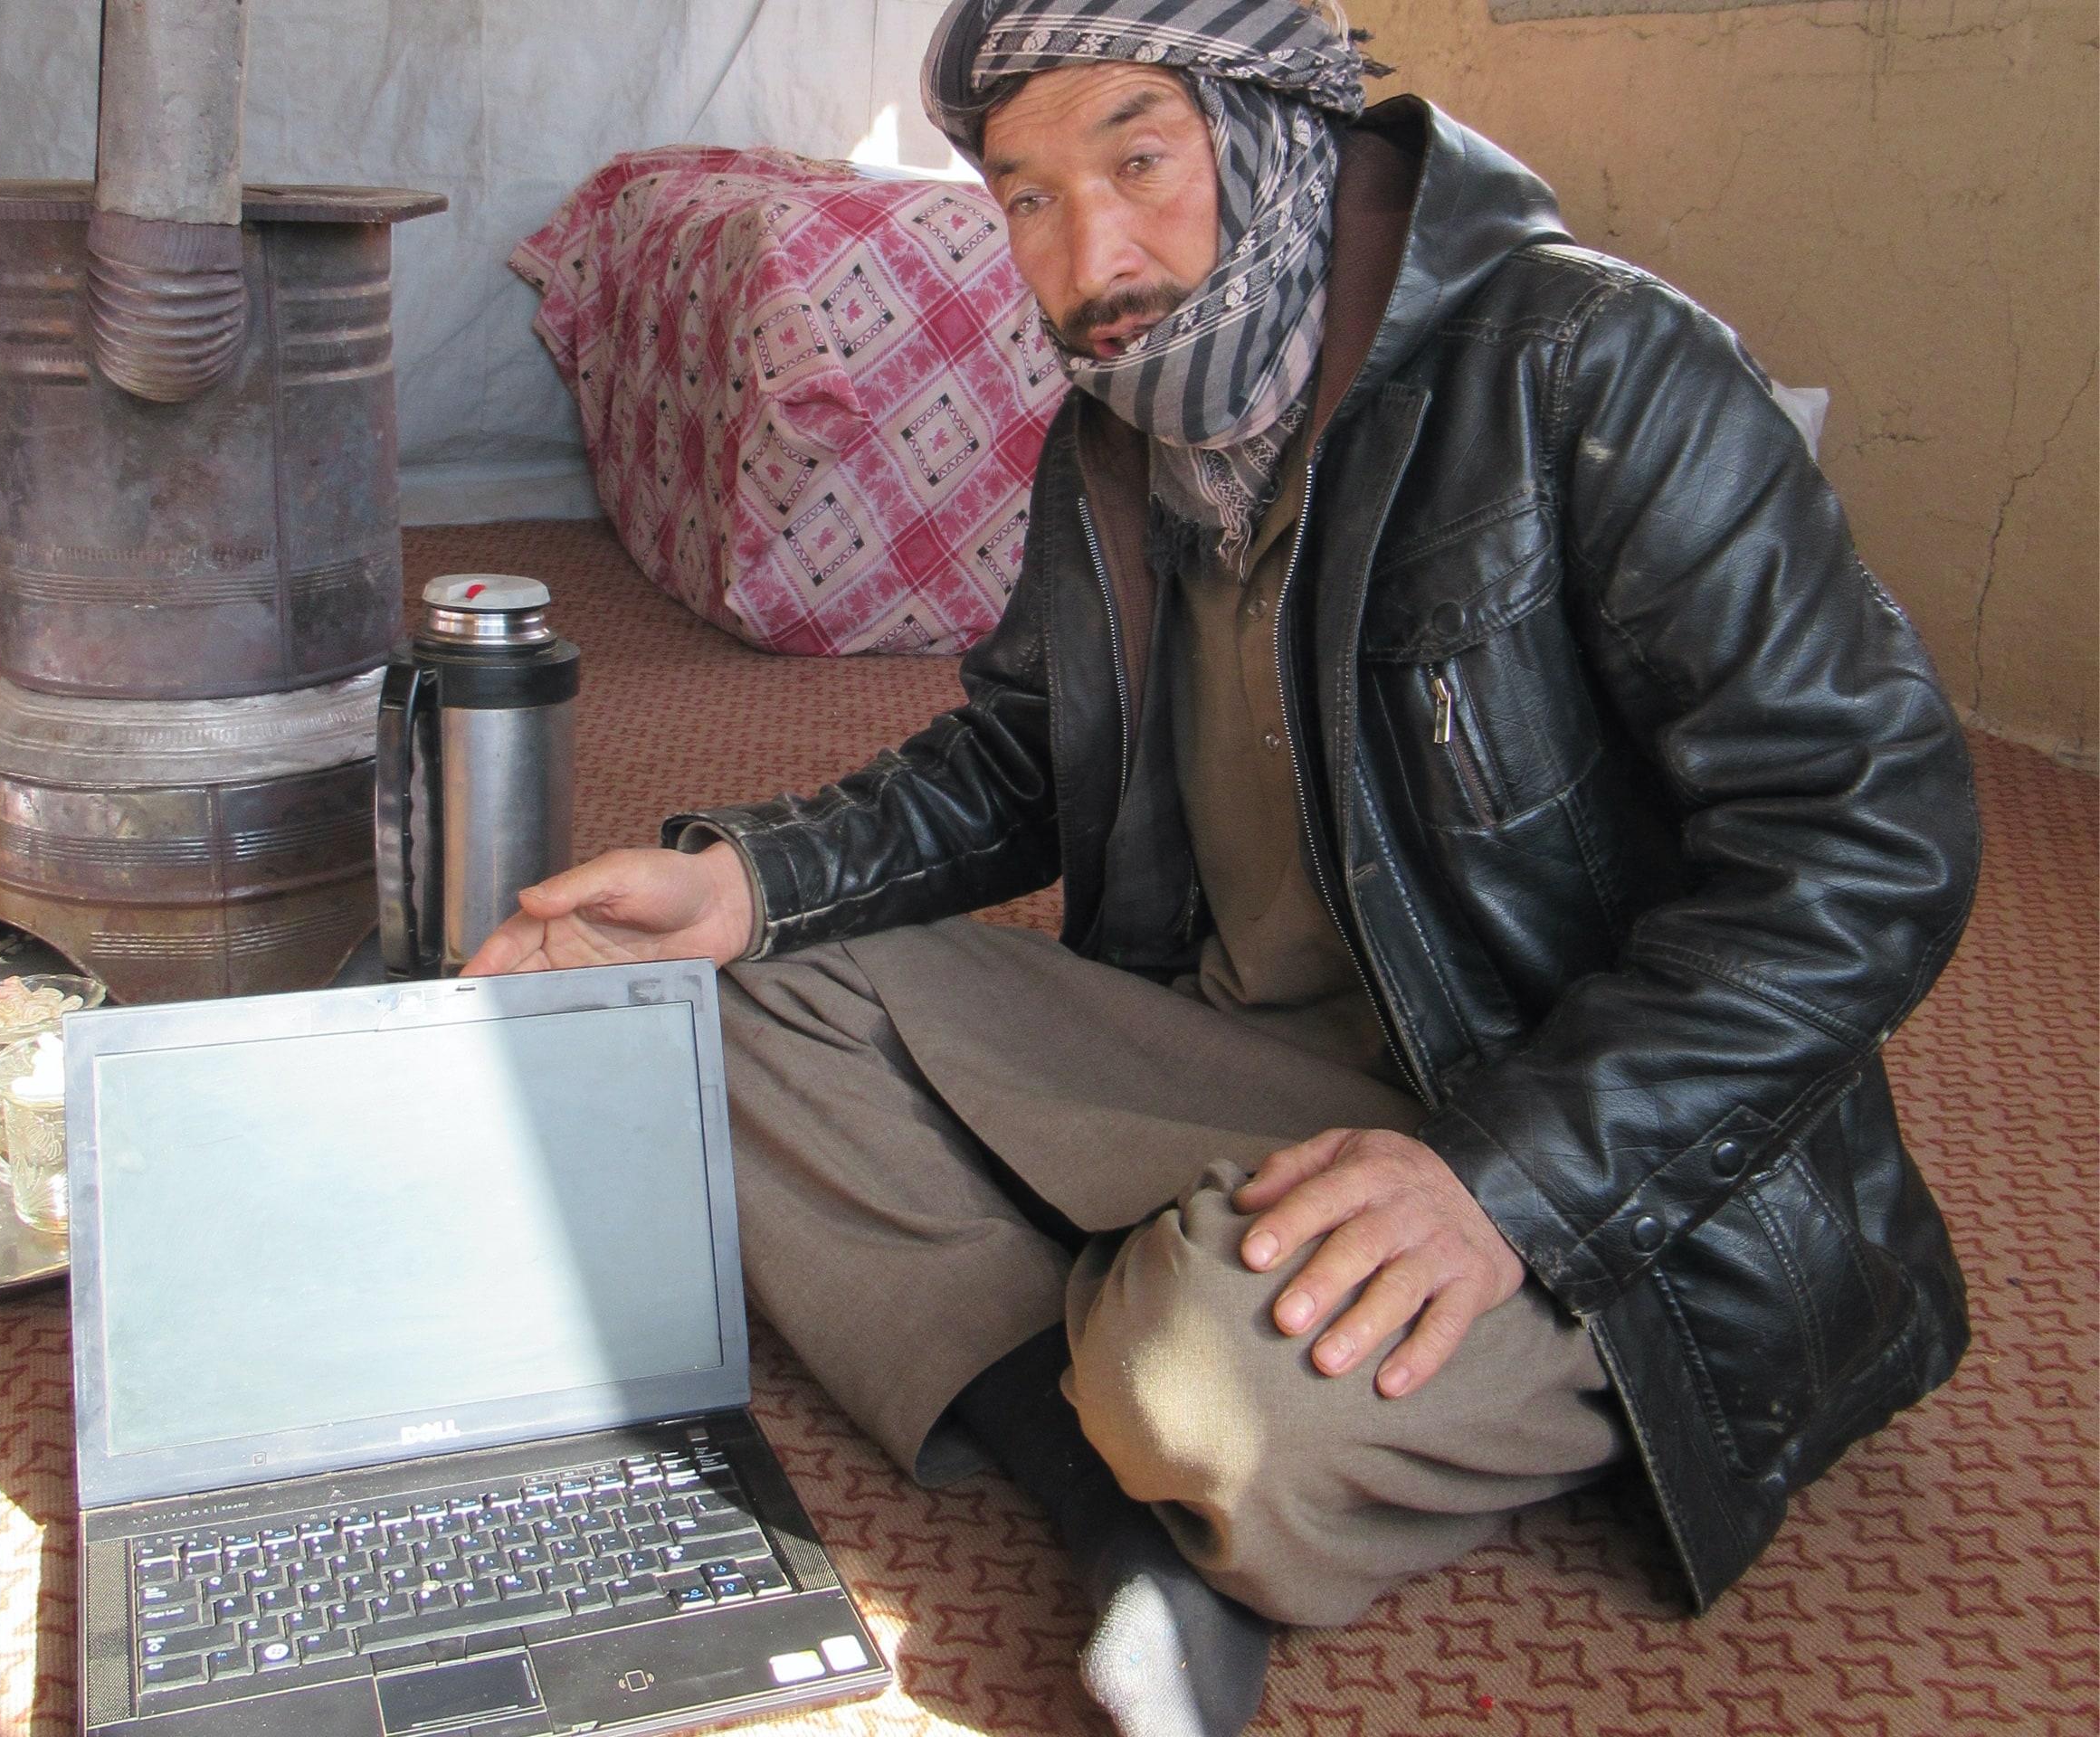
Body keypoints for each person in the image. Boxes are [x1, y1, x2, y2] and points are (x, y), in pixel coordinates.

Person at [469, 2, 1980, 1732]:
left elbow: (1872, 842)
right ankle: (1104, 1487)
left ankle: (1143, 1373)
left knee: (1210, 1398)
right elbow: (1030, 759)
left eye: (1139, 157)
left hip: (1586, 1145)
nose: (1089, 254)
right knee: (716, 1008)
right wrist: (748, 879)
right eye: (1026, 196)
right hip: (1245, 1054)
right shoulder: (1119, 436)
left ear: (1279, 132)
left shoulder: (1595, 365)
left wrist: (1506, 1182)